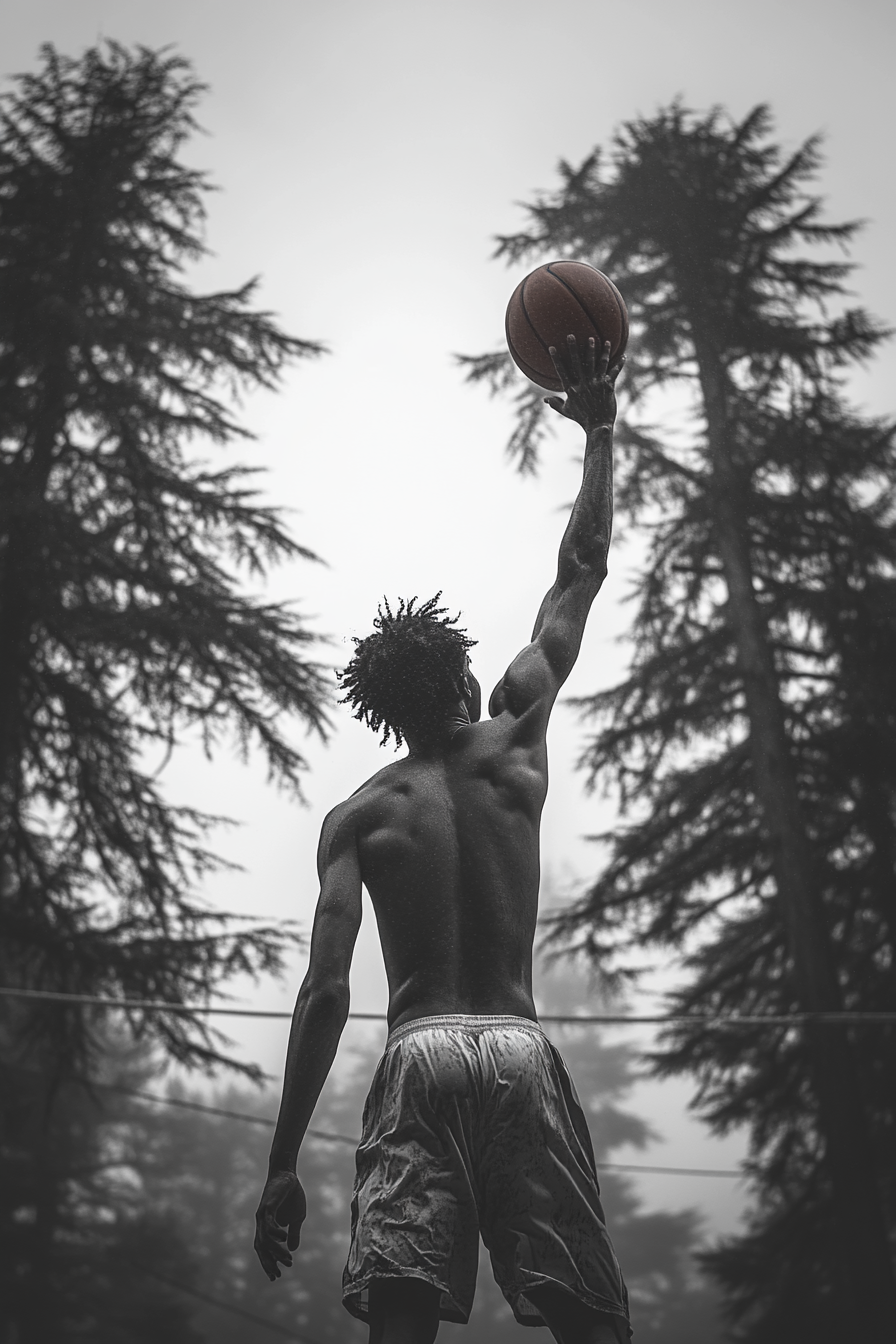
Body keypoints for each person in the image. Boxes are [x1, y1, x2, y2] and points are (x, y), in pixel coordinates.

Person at [255, 336, 631, 1344]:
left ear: (381, 714)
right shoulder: (513, 738)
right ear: (466, 681)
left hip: (418, 1056)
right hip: (516, 1046)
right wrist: (597, 431)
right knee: (585, 1318)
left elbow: (326, 990)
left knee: (403, 1316)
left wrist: (284, 1160)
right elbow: (578, 572)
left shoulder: (361, 815)